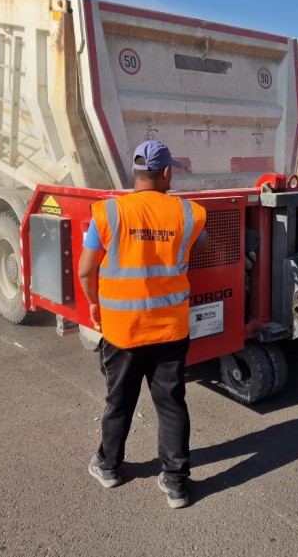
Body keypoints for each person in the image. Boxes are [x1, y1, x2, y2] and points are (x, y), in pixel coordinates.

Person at [77, 140, 208, 509]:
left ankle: (108, 466)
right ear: (166, 173)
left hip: (122, 330)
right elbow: (205, 247)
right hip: (170, 329)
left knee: (118, 401)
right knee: (170, 403)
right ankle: (177, 485)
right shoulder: (187, 214)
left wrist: (94, 306)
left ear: (135, 173)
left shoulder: (108, 213)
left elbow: (87, 270)